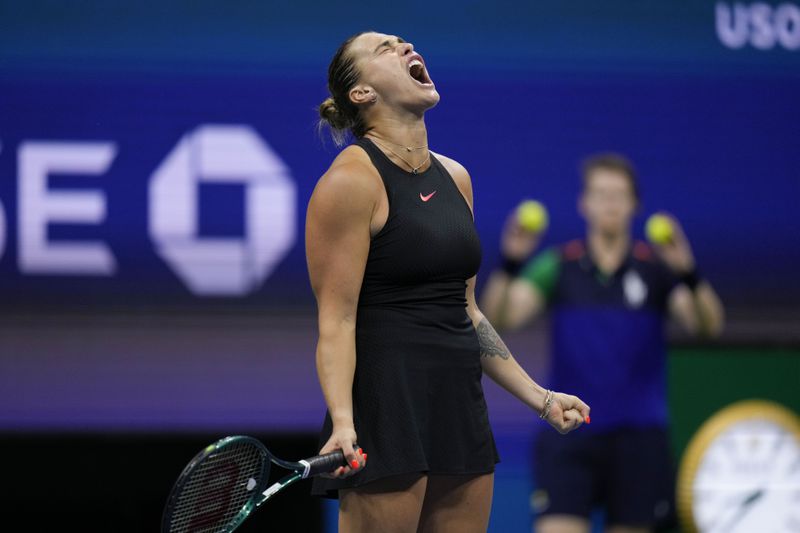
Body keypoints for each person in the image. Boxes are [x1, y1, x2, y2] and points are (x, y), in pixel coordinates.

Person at [305, 31, 590, 532]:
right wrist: (345, 421)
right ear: (362, 93)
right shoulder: (349, 182)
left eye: (402, 41)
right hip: (385, 407)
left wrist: (540, 399)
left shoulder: (456, 178)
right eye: (385, 48)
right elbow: (337, 319)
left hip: (458, 405)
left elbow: (468, 312)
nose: (405, 45)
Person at [480, 153, 725, 533]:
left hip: (639, 440)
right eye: (601, 194)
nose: (610, 203)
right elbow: (501, 318)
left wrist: (687, 271)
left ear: (634, 204)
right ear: (585, 203)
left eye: (619, 195)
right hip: (568, 431)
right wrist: (511, 262)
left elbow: (707, 325)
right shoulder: (557, 266)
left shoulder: (655, 271)